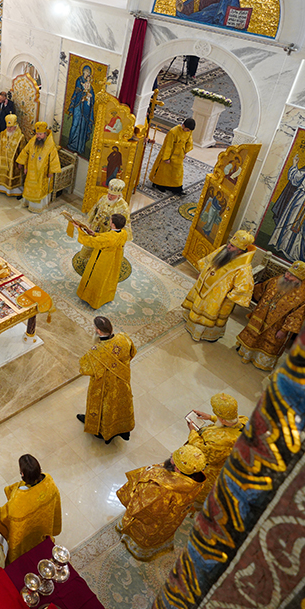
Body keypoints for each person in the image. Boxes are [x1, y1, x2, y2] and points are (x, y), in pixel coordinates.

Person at [115, 445, 207, 560]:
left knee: (143, 531)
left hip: (153, 521)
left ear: (178, 469)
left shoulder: (162, 489)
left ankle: (136, 548)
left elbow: (144, 508)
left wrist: (141, 484)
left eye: (173, 458)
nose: (171, 456)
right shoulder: (195, 480)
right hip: (172, 518)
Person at [236, 261, 305, 370]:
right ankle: (245, 352)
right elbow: (261, 288)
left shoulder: (303, 296)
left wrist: (284, 330)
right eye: (287, 273)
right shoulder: (277, 280)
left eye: (292, 276)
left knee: (269, 342)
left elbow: (297, 317)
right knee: (252, 334)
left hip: (277, 326)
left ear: (299, 280)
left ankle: (261, 362)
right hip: (260, 316)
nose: (287, 276)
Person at [182, 230, 256, 342]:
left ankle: (202, 334)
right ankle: (190, 320)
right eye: (230, 244)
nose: (229, 247)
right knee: (197, 303)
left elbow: (244, 288)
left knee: (208, 315)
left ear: (240, 251)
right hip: (204, 286)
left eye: (233, 246)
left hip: (218, 298)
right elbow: (209, 260)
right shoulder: (224, 249)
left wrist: (228, 297)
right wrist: (202, 272)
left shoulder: (244, 268)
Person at [0, 454, 62, 564]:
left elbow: (6, 515)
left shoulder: (19, 498)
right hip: (42, 528)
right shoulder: (49, 483)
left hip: (24, 536)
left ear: (22, 474)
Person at [77, 315, 136, 443]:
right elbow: (132, 352)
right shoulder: (124, 338)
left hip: (105, 387)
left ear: (98, 331)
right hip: (122, 382)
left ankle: (102, 431)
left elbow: (84, 369)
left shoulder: (96, 351)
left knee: (105, 407)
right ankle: (121, 430)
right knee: (121, 405)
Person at [183, 392, 247, 501]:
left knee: (194, 490)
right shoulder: (243, 419)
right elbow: (228, 422)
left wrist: (193, 432)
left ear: (222, 419)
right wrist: (210, 418)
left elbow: (204, 453)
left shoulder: (221, 440)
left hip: (211, 470)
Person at [74, 213, 130, 309]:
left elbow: (90, 241)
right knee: (108, 278)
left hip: (103, 259)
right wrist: (95, 234)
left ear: (112, 224)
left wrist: (79, 229)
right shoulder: (124, 233)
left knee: (96, 278)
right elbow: (107, 237)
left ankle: (92, 300)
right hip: (114, 259)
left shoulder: (108, 238)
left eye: (110, 221)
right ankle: (105, 297)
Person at [14, 121, 61, 212]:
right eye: (37, 134)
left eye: (40, 134)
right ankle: (28, 203)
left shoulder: (50, 145)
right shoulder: (33, 141)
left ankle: (37, 207)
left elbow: (53, 159)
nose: (38, 136)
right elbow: (26, 152)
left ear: (45, 134)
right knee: (29, 187)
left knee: (39, 189)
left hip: (42, 173)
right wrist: (24, 165)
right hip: (31, 170)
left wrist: (51, 172)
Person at [149, 118, 195, 194]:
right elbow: (168, 145)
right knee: (164, 171)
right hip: (170, 154)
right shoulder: (173, 132)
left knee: (177, 172)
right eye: (187, 130)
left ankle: (176, 188)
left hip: (179, 155)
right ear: (183, 125)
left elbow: (189, 142)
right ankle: (159, 185)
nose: (188, 132)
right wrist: (166, 158)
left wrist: (185, 152)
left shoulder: (189, 131)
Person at [0, 113, 26, 197]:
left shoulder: (20, 137)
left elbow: (23, 151)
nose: (8, 129)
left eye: (10, 127)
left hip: (14, 162)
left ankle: (13, 190)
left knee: (12, 174)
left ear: (15, 126)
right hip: (3, 160)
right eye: (7, 127)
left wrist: (20, 163)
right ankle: (2, 187)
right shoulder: (3, 133)